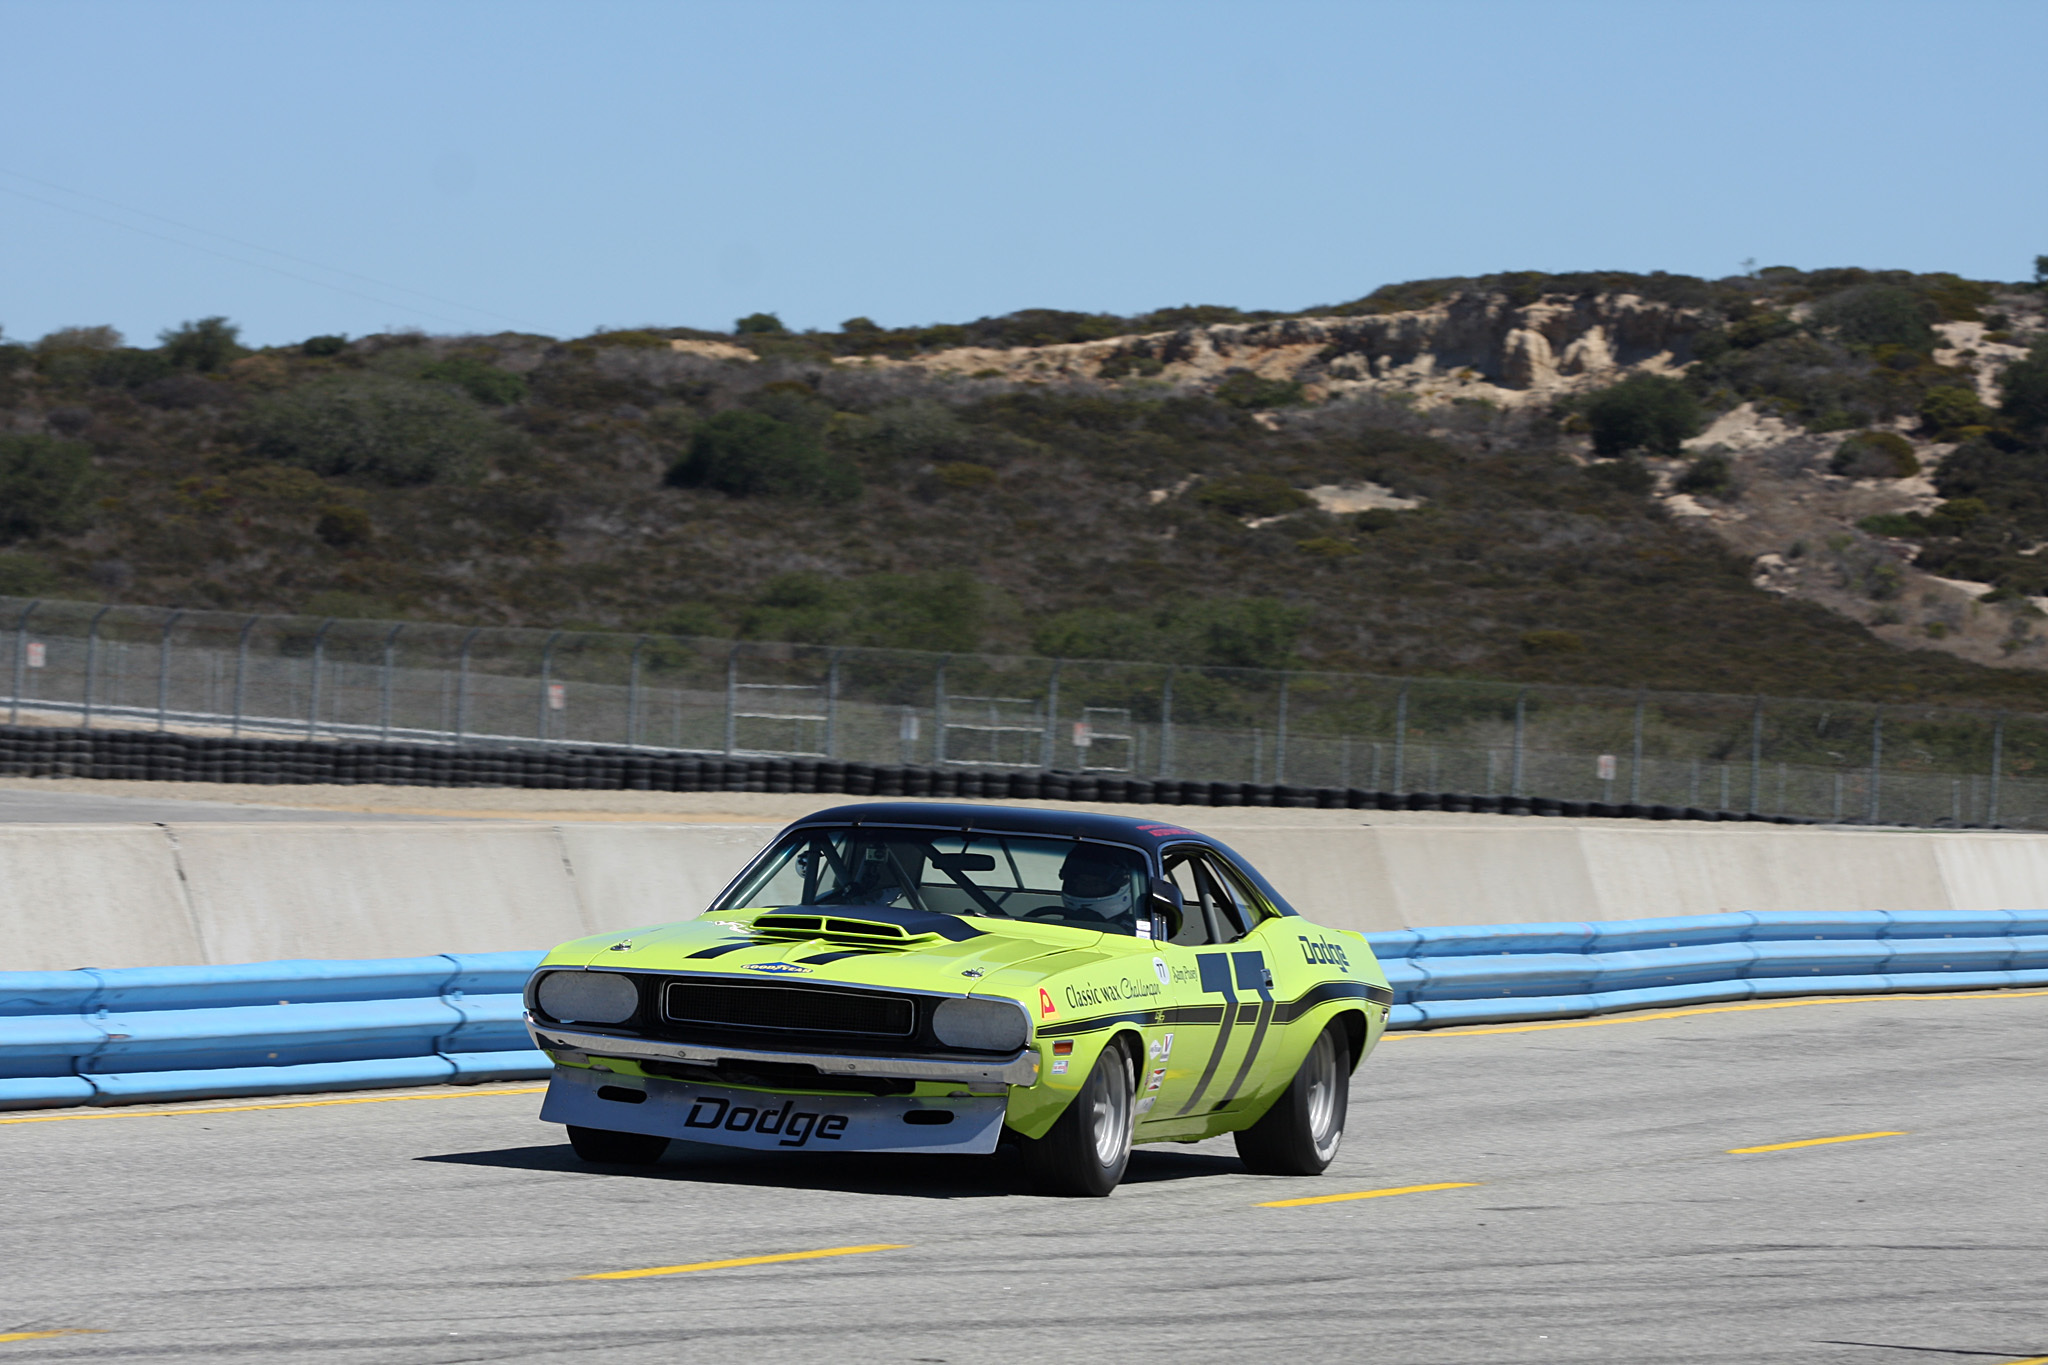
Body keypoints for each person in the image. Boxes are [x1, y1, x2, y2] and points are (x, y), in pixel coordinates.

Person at [1057, 845, 1143, 930]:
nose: (1087, 889)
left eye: (1096, 883)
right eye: (1081, 882)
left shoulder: (1138, 932)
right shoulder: (1055, 928)